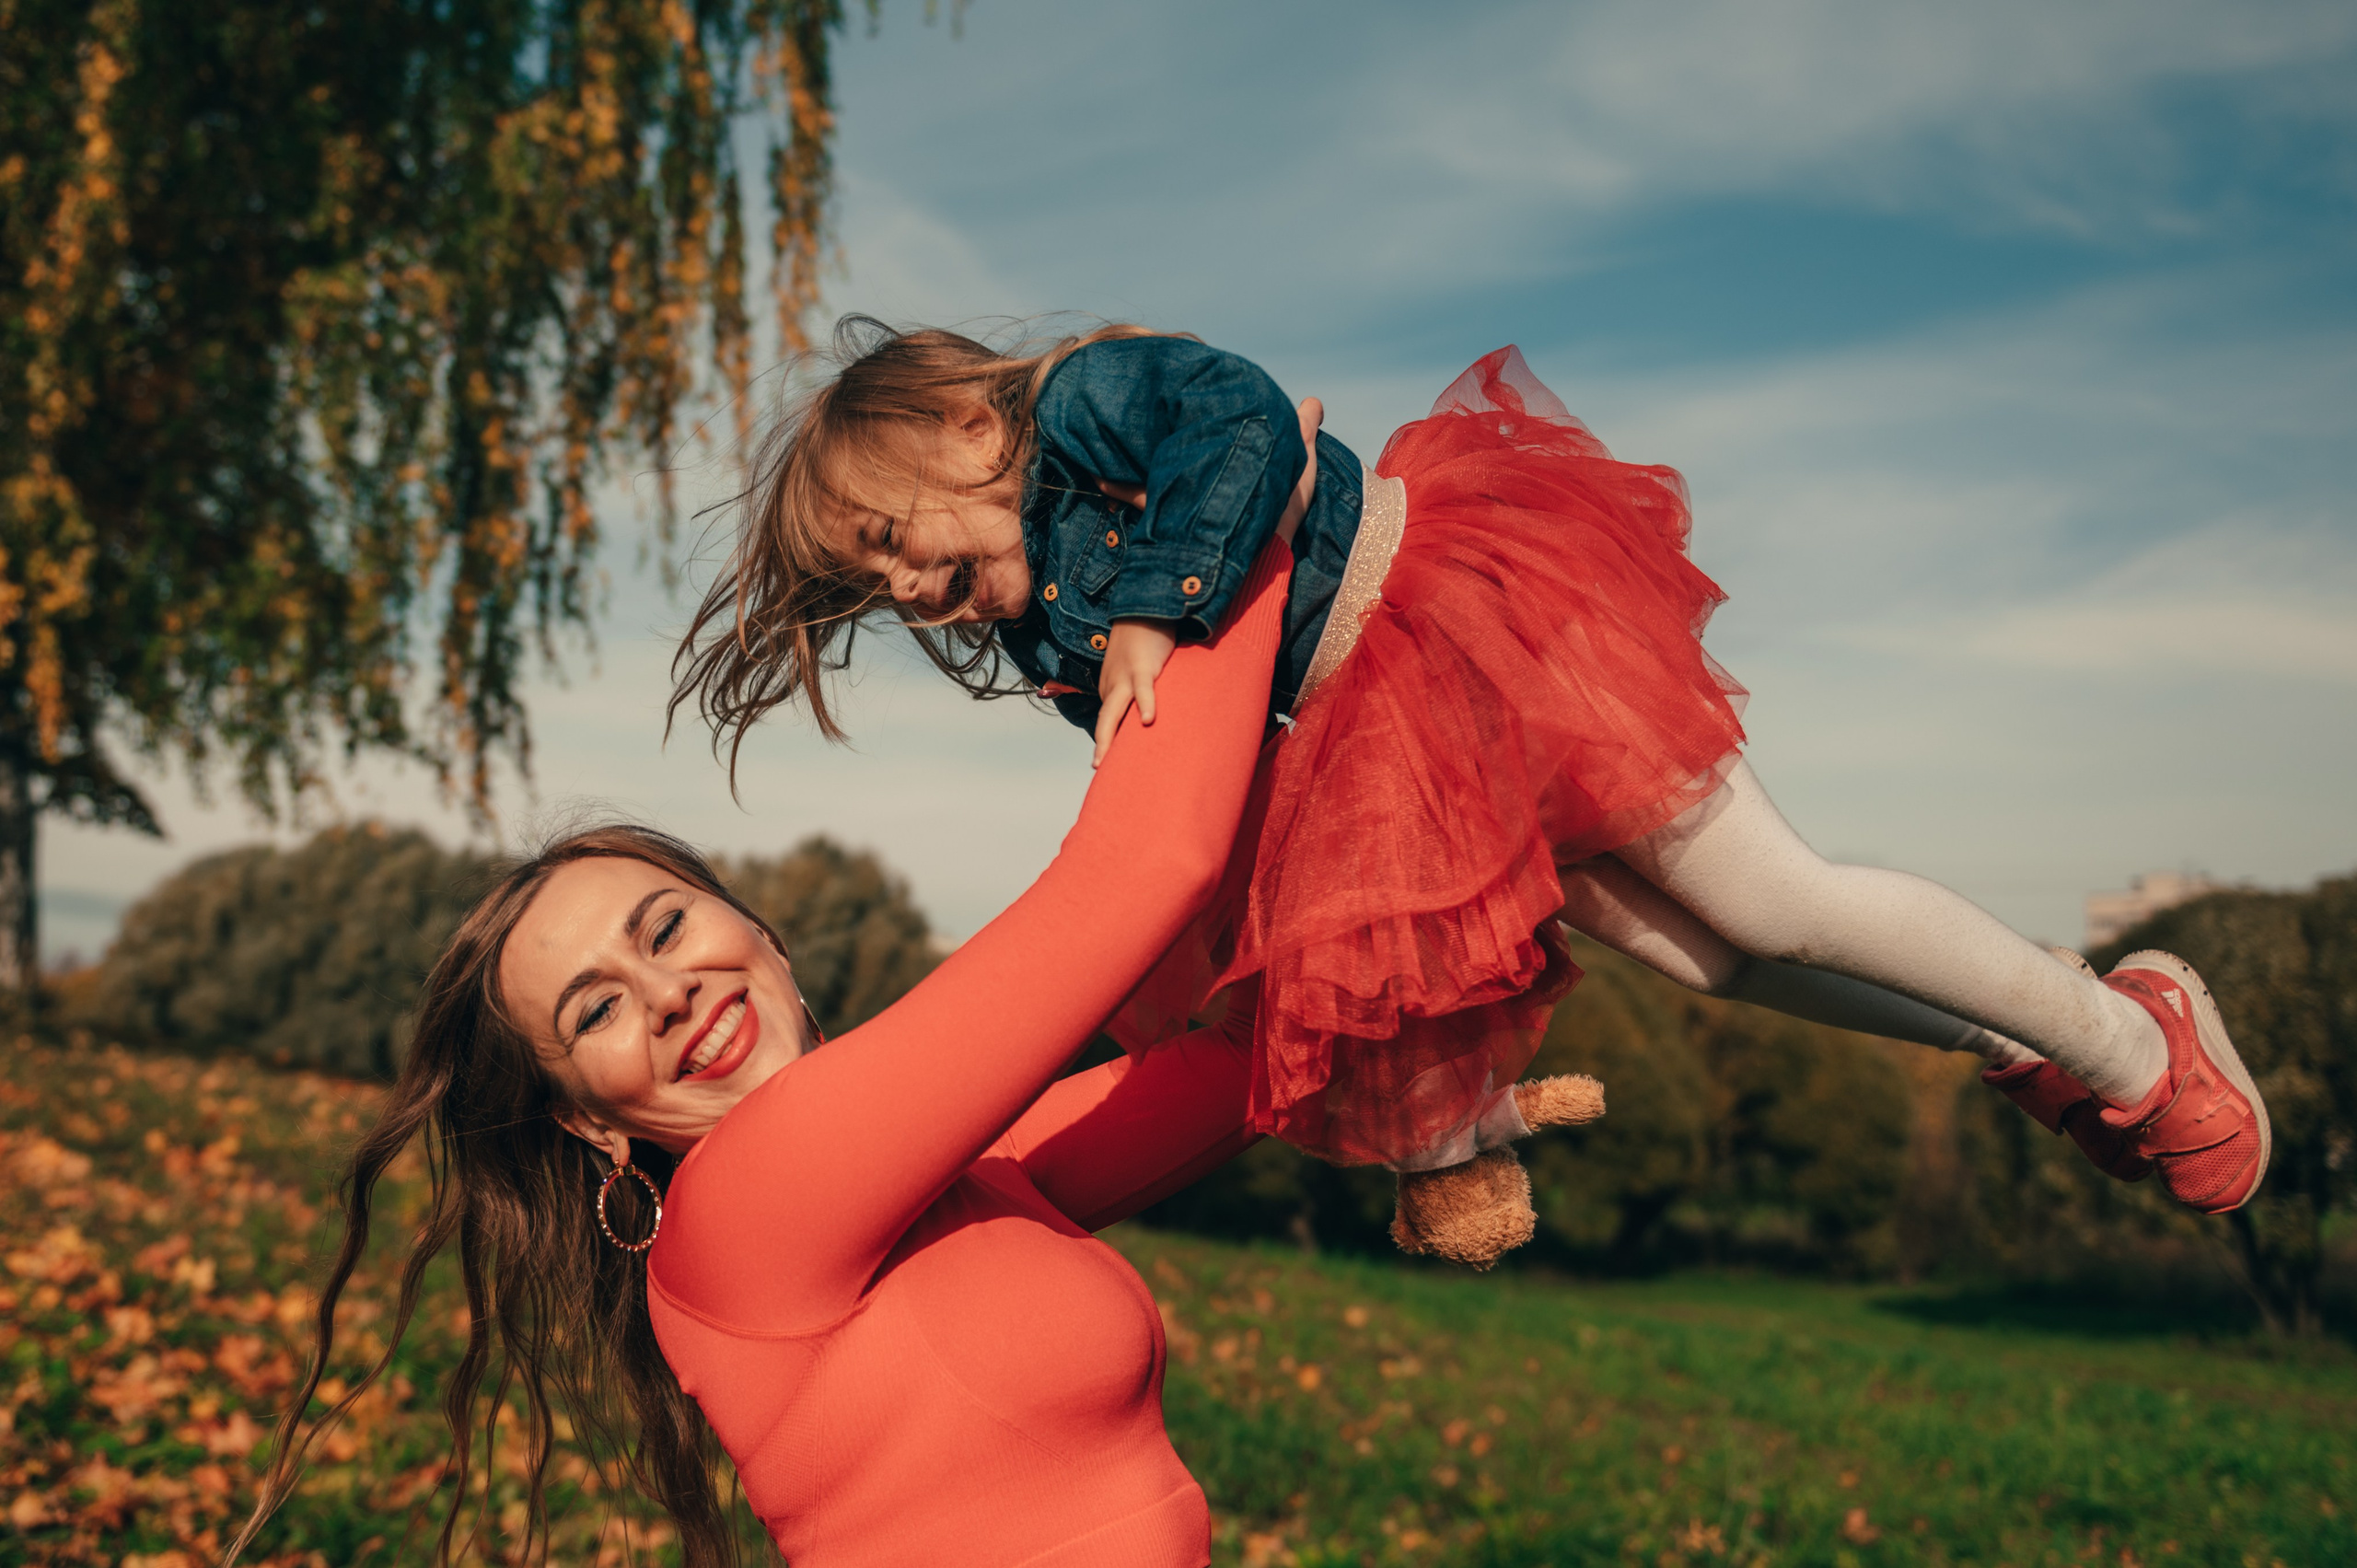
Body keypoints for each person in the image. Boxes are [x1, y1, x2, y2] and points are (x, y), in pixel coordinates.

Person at [673, 318, 2269, 1213]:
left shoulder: (1087, 408)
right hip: (1405, 739)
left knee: (1774, 899)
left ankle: (2132, 1037)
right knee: (1710, 960)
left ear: (966, 429)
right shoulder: (1043, 633)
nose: (907, 590)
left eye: (894, 541)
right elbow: (1173, 774)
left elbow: (1243, 420)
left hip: (1472, 621)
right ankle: (2019, 1041)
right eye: (874, 589)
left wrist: (1162, 596)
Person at [230, 542, 1295, 1567]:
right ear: (587, 1117)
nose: (667, 995)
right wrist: (1240, 529)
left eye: (664, 929)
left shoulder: (969, 1179)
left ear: (760, 933)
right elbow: (1142, 866)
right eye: (596, 1011)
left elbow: (1261, 1051)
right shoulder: (742, 1210)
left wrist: (1326, 700)